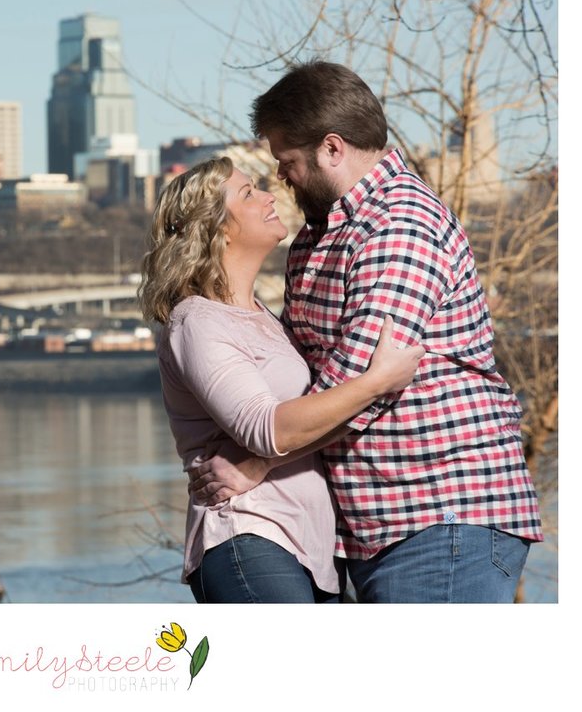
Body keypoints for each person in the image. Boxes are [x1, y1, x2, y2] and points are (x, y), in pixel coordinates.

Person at [194, 60, 543, 602]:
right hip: (375, 525)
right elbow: (301, 373)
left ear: (332, 148)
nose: (280, 177)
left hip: (441, 511)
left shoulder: (399, 224)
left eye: (287, 161)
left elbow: (358, 384)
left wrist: (256, 463)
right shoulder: (318, 238)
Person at [138, 155, 424, 603]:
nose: (270, 195)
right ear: (218, 228)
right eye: (248, 193)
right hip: (248, 536)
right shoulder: (197, 321)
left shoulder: (266, 319)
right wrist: (375, 381)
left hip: (309, 552)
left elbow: (310, 422)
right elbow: (266, 430)